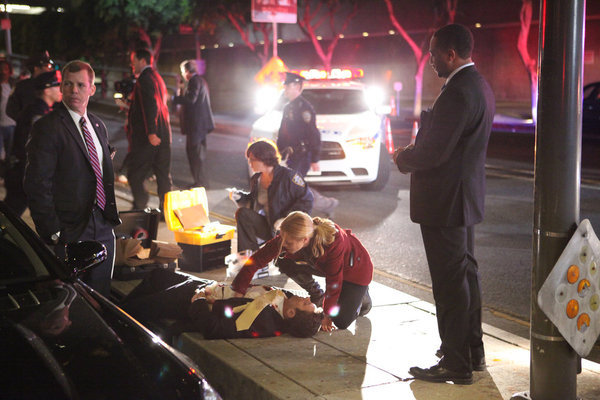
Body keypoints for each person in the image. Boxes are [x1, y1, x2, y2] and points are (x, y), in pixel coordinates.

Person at [394, 24, 495, 385]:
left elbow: (434, 151)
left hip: (445, 203)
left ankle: (455, 363)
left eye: (434, 52)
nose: (431, 59)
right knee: (465, 275)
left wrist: (403, 157)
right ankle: (472, 351)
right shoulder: (478, 85)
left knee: (450, 283)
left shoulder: (456, 93)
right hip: (463, 200)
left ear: (451, 54)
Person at [24, 60, 121, 297]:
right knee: (71, 300)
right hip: (70, 230)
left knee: (100, 297)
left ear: (92, 88)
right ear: (61, 87)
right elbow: (37, 183)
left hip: (103, 226)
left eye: (80, 84)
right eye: (68, 84)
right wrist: (53, 231)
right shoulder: (48, 127)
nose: (74, 90)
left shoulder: (97, 125)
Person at [231, 211, 373, 332]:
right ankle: (316, 293)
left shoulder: (334, 242)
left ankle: (362, 296)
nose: (283, 244)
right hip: (324, 266)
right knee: (282, 259)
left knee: (341, 321)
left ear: (304, 240)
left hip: (356, 271)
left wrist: (327, 314)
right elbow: (257, 259)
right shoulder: (292, 236)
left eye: (288, 243)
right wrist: (239, 288)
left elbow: (334, 282)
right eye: (283, 239)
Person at [121, 268, 324, 342]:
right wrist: (319, 318)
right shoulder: (284, 299)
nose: (306, 298)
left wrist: (198, 300)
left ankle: (107, 324)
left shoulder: (263, 319)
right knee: (157, 275)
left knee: (130, 311)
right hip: (206, 286)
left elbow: (213, 329)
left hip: (192, 299)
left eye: (306, 303)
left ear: (290, 313)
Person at [230, 138, 313, 254]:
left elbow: (307, 200)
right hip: (269, 226)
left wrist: (286, 219)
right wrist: (239, 197)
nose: (250, 164)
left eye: (252, 160)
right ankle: (248, 256)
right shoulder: (256, 179)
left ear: (264, 159)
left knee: (283, 263)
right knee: (242, 213)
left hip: (286, 229)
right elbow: (253, 201)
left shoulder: (288, 177)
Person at [277, 72, 338, 217]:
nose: (285, 88)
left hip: (302, 154)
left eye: (288, 85)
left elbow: (313, 133)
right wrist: (280, 151)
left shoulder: (304, 108)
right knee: (294, 184)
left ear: (297, 86)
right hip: (291, 155)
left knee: (295, 184)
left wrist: (314, 158)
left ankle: (322, 206)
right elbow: (283, 132)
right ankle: (320, 206)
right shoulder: (288, 107)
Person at [4, 70, 62, 216]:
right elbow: (38, 147)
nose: (61, 89)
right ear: (47, 90)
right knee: (11, 215)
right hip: (23, 173)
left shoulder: (40, 109)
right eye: (58, 86)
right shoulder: (38, 115)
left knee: (11, 212)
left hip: (22, 171)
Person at [126, 47, 172, 211]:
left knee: (135, 174)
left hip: (148, 137)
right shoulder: (158, 77)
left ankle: (139, 206)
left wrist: (151, 132)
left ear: (142, 61)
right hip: (164, 134)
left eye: (134, 62)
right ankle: (165, 211)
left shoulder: (144, 79)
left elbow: (150, 105)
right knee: (162, 176)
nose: (132, 65)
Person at [172, 59, 215, 189]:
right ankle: (201, 181)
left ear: (186, 71)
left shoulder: (194, 81)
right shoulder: (201, 80)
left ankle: (200, 182)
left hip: (196, 125)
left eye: (182, 72)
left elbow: (191, 99)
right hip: (200, 125)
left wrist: (174, 98)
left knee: (195, 154)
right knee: (198, 154)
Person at [6, 50, 55, 121]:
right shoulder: (22, 86)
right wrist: (25, 120)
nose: (50, 69)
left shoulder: (53, 86)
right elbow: (10, 110)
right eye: (47, 66)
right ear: (36, 68)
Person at [0, 59, 16, 162]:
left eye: (5, 69)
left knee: (10, 154)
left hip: (12, 124)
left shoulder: (14, 86)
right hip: (0, 125)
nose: (3, 72)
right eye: (1, 69)